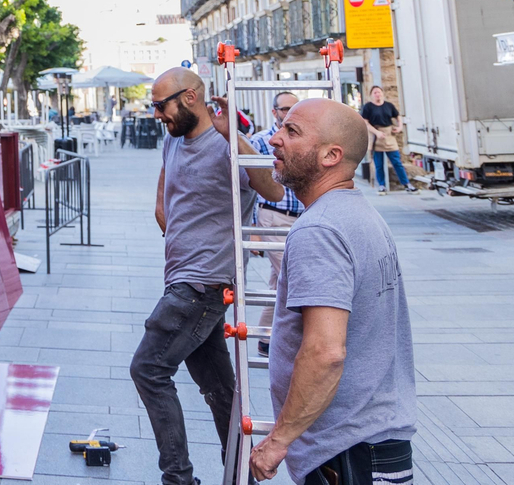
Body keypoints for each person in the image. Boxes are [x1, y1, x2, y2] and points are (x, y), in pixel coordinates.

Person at [133, 68, 286, 485]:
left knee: (148, 368)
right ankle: (241, 475)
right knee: (221, 390)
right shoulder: (173, 140)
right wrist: (172, 224)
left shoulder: (225, 145)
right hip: (185, 277)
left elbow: (273, 192)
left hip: (203, 284)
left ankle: (178, 479)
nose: (156, 114)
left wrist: (232, 135)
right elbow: (166, 198)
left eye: (160, 105)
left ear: (190, 98)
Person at [250, 99, 416, 484]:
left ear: (330, 155)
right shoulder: (358, 214)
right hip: (371, 443)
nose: (275, 139)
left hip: (349, 451)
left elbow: (325, 351)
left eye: (292, 132)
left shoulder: (319, 230)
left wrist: (278, 441)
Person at [249, 92, 303, 353]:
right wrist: (255, 230)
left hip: (300, 219)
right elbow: (248, 187)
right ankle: (294, 343)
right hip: (273, 216)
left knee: (278, 282)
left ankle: (266, 339)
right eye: (285, 109)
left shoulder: (303, 138)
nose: (291, 112)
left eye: (296, 107)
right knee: (294, 278)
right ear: (274, 112)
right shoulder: (260, 141)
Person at [361, 86, 417, 195]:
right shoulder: (368, 107)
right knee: (379, 164)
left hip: (389, 136)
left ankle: (407, 184)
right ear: (371, 95)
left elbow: (397, 116)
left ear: (382, 93)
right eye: (375, 92)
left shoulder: (388, 106)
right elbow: (365, 122)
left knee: (397, 162)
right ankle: (382, 185)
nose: (378, 94)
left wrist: (400, 127)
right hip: (377, 137)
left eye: (379, 92)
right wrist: (376, 132)